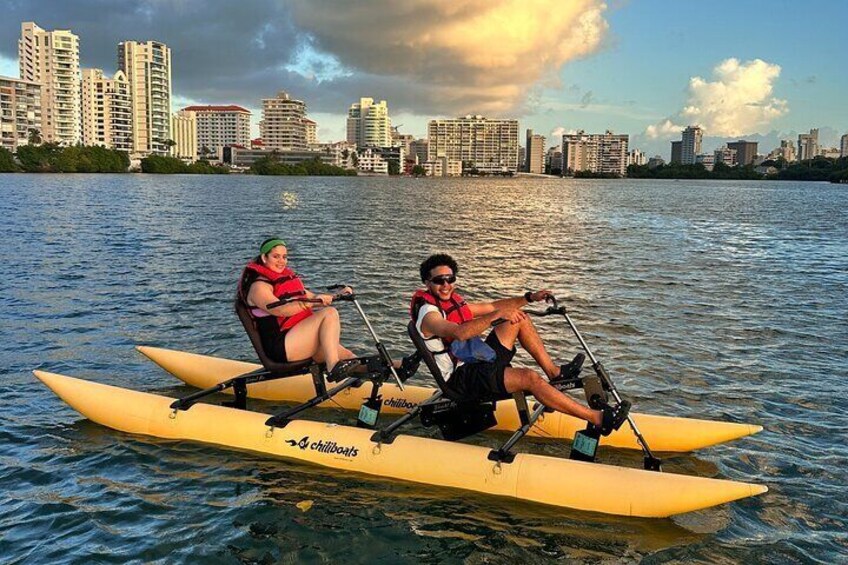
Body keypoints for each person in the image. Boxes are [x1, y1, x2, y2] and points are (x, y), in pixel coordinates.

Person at [411, 253, 629, 435]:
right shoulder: (429, 315)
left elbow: (493, 305)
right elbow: (459, 333)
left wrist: (529, 298)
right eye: (439, 281)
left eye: (450, 279)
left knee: (519, 317)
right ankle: (598, 418)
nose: (446, 285)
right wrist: (497, 315)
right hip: (462, 379)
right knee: (529, 378)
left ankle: (554, 373)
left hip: (476, 360)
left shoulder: (453, 302)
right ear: (427, 283)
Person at [238, 238, 357, 379]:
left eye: (284, 257)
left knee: (351, 358)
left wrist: (338, 294)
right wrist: (310, 303)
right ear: (264, 257)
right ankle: (333, 367)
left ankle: (368, 385)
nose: (281, 261)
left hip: (297, 339)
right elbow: (280, 310)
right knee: (329, 313)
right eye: (276, 256)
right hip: (280, 347)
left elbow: (313, 297)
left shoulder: (285, 279)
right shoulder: (258, 287)